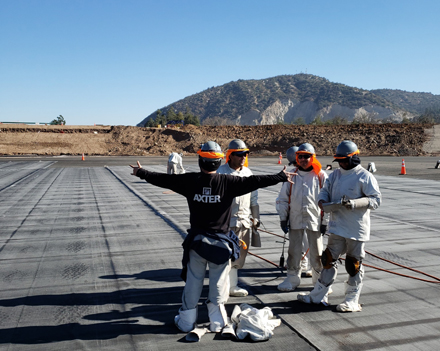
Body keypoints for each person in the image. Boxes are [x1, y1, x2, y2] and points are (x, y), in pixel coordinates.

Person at [130, 141, 296, 333]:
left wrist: (140, 172)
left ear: (200, 160)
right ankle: (217, 323)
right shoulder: (228, 182)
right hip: (221, 245)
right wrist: (280, 176)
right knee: (218, 284)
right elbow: (256, 181)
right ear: (219, 162)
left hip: (198, 244)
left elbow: (163, 179)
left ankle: (186, 321)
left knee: (193, 282)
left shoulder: (189, 181)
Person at [297, 140, 381, 312]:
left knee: (353, 263)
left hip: (356, 228)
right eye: (339, 160)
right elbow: (325, 190)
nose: (341, 163)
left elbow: (376, 200)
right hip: (337, 226)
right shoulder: (335, 175)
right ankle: (318, 295)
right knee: (327, 260)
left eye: (344, 160)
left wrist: (355, 203)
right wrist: (322, 201)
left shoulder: (365, 176)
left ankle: (352, 299)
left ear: (353, 158)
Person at [276, 143, 328, 291]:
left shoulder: (321, 176)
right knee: (294, 251)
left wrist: (325, 222)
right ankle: (292, 279)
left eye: (307, 156)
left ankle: (319, 282)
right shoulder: (291, 175)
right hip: (295, 219)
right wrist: (283, 218)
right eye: (300, 156)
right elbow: (283, 199)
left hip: (314, 220)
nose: (303, 159)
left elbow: (328, 201)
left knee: (317, 253)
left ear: (313, 157)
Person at [217, 139, 260, 297]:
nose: (243, 157)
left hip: (243, 223)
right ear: (231, 155)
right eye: (240, 154)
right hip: (225, 224)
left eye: (246, 154)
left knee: (239, 257)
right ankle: (221, 288)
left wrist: (256, 218)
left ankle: (232, 286)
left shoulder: (248, 173)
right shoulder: (220, 173)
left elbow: (254, 199)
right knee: (222, 258)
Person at [286, 146, 312, 276]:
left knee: (310, 243)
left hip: (311, 217)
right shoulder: (293, 173)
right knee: (298, 243)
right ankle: (301, 263)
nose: (300, 162)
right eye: (298, 159)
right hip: (297, 216)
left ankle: (309, 265)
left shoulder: (317, 175)